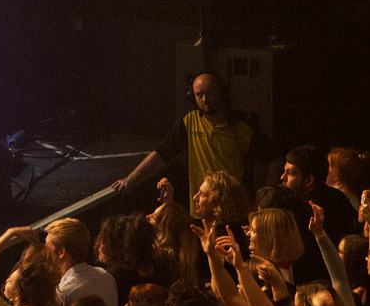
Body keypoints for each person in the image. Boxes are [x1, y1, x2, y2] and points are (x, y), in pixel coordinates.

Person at [113, 71, 272, 212]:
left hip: (233, 212)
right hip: (201, 210)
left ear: (222, 92)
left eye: (209, 93)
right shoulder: (189, 121)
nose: (204, 99)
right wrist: (130, 180)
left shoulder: (242, 126)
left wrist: (264, 201)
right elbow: (162, 153)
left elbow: (274, 159)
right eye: (199, 95)